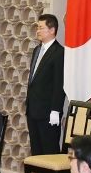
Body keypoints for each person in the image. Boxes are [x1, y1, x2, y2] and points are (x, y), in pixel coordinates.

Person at [26, 14, 65, 155]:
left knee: (49, 152)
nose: (37, 30)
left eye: (41, 27)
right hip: (32, 110)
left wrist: (55, 110)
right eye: (37, 27)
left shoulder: (59, 52)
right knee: (36, 152)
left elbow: (59, 84)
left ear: (52, 30)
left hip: (48, 113)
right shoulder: (37, 50)